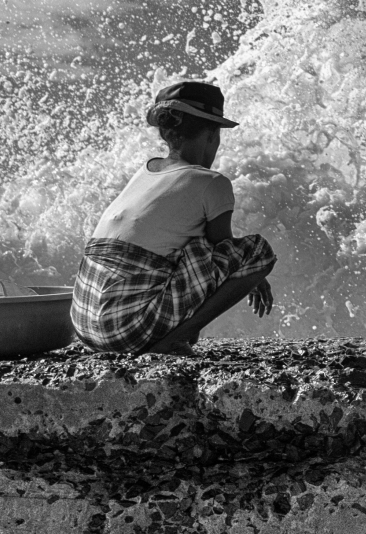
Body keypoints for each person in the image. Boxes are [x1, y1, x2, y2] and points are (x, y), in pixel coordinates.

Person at [72, 81, 279, 355]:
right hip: (125, 329)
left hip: (84, 325)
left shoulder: (145, 172)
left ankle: (169, 333)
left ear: (166, 134)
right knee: (258, 252)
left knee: (189, 244)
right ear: (212, 135)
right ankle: (178, 337)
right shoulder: (212, 182)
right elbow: (226, 251)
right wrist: (255, 277)